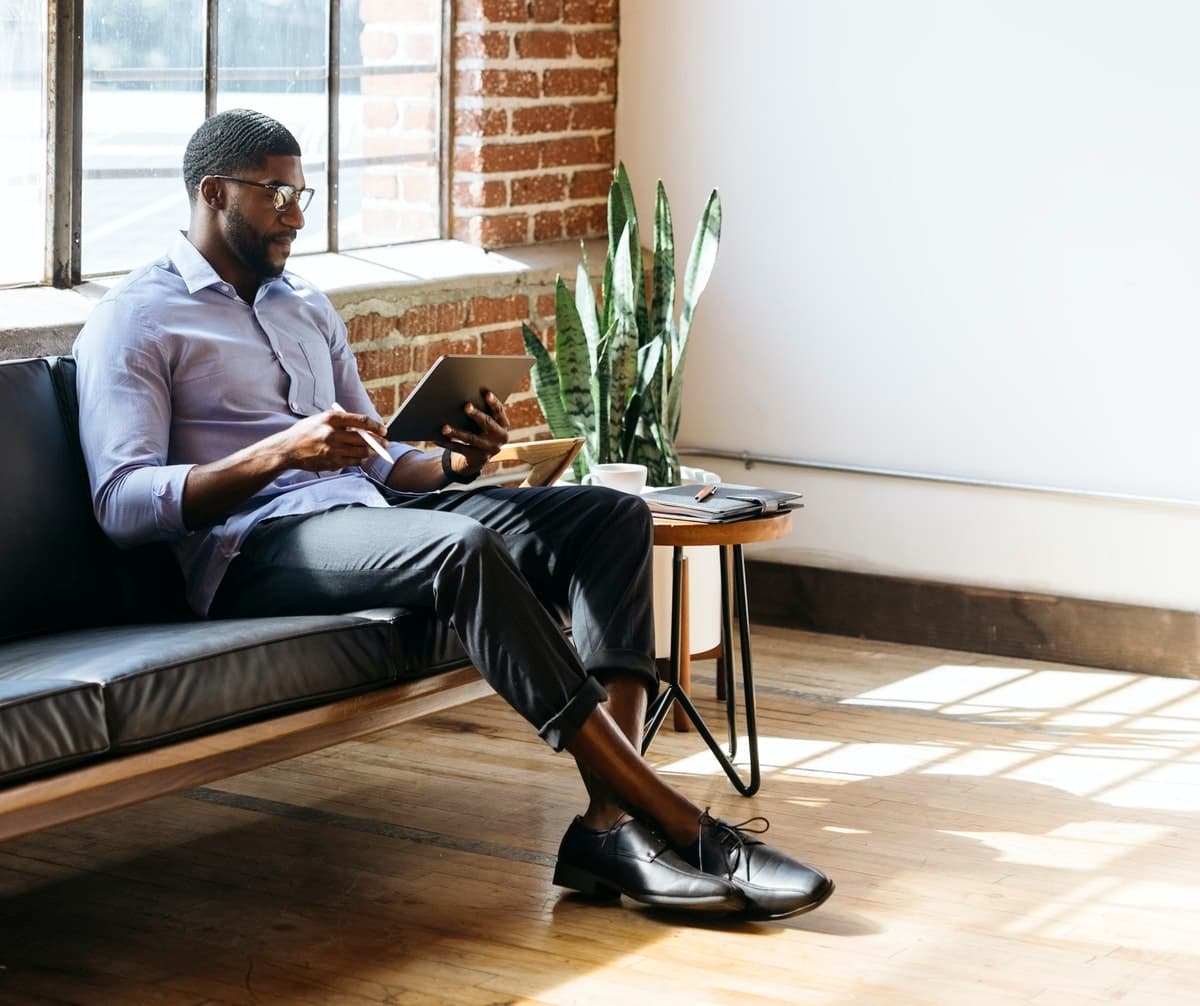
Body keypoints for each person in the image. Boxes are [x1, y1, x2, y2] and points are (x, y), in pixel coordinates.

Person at [73, 108, 834, 920]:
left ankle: (610, 824)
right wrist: (279, 454)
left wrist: (459, 460)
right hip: (250, 551)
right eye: (275, 195)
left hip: (366, 519)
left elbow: (385, 464)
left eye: (304, 194)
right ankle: (680, 822)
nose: (297, 214)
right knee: (459, 548)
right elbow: (122, 504)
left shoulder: (304, 306)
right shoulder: (137, 318)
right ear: (212, 191)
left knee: (608, 517)